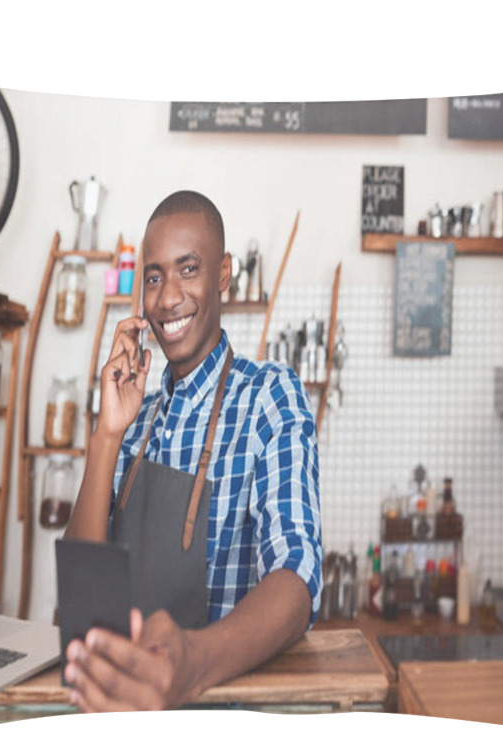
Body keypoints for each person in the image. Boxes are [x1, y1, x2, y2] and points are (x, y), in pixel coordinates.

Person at [63, 190, 323, 712]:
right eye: (154, 277)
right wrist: (107, 433)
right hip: (119, 716)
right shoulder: (136, 419)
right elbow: (82, 598)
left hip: (222, 720)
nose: (167, 297)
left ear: (223, 274)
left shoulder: (267, 397)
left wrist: (192, 663)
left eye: (189, 269)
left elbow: (297, 578)